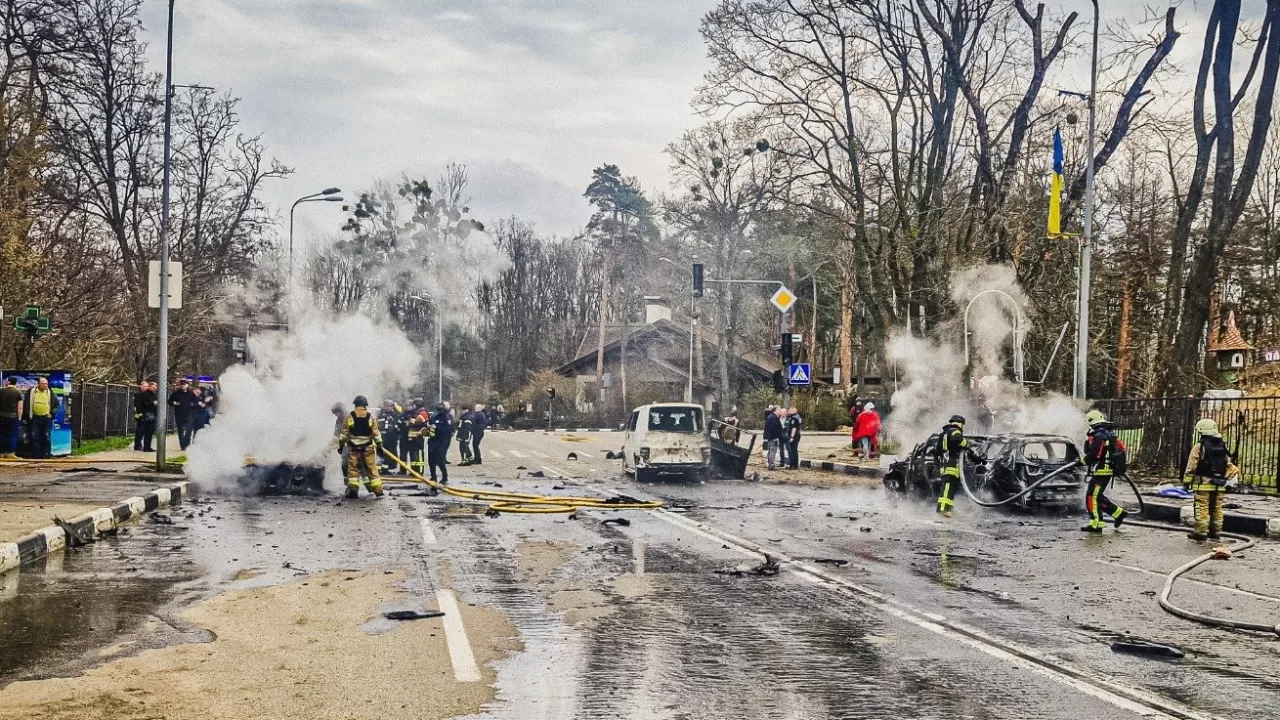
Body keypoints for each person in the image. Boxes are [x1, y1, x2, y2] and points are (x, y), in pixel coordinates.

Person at [1182, 418, 1237, 542]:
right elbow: (1228, 464)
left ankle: (1201, 533)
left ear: (1201, 431)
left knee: (1202, 508)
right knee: (1217, 508)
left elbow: (1191, 466)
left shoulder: (1199, 447)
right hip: (1219, 485)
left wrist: (1186, 481)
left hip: (1203, 484)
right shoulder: (1222, 446)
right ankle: (1215, 532)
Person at [1081, 410, 1129, 533]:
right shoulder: (1107, 434)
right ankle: (1118, 513)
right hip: (1103, 471)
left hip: (1102, 472)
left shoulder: (1099, 436)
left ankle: (1097, 524)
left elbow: (1094, 454)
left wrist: (1083, 461)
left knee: (1092, 497)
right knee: (1096, 497)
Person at [936, 414, 984, 518]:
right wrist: (966, 443)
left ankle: (947, 508)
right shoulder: (954, 430)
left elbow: (937, 451)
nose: (962, 427)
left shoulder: (943, 434)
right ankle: (943, 509)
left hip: (946, 464)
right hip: (951, 465)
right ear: (959, 423)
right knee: (948, 487)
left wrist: (978, 459)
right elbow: (956, 439)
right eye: (962, 424)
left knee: (951, 488)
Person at [338, 395, 384, 498]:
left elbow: (343, 435)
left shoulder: (350, 417)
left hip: (354, 450)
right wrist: (379, 446)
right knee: (372, 470)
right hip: (368, 449)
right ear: (365, 405)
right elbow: (376, 434)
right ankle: (378, 491)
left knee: (353, 471)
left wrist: (341, 446)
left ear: (355, 405)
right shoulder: (371, 417)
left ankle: (353, 491)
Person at [22, 377, 56, 459]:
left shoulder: (50, 392)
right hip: (34, 417)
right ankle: (36, 454)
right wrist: (25, 417)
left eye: (46, 383)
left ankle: (46, 453)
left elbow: (56, 404)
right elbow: (26, 404)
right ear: (38, 384)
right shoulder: (31, 392)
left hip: (46, 418)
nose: (45, 385)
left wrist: (52, 413)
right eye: (43, 383)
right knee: (34, 436)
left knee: (46, 436)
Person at [427, 403, 454, 484]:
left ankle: (444, 477)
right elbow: (430, 423)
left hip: (442, 441)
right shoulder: (434, 416)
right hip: (433, 440)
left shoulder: (447, 417)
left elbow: (448, 429)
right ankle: (433, 476)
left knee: (439, 459)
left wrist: (437, 428)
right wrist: (428, 425)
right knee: (431, 459)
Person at [169, 379, 197, 450]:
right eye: (181, 384)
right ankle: (182, 445)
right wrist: (174, 403)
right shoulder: (176, 393)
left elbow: (195, 402)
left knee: (189, 430)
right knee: (181, 430)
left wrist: (192, 404)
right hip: (179, 414)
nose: (183, 386)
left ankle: (187, 444)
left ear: (187, 385)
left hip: (189, 414)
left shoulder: (191, 393)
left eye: (184, 384)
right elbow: (170, 401)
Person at [403, 400, 430, 476]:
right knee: (414, 455)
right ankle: (414, 471)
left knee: (419, 455)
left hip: (419, 437)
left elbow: (418, 422)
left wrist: (411, 420)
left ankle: (420, 471)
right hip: (414, 437)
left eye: (414, 405)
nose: (413, 406)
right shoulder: (418, 412)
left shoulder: (422, 413)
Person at [0, 378, 23, 459]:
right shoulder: (18, 392)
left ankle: (2, 452)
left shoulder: (1, 391)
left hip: (2, 416)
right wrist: (19, 418)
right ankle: (10, 452)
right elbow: (19, 407)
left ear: (8, 382)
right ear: (16, 383)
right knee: (13, 435)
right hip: (13, 417)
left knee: (2, 434)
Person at [377, 400, 403, 473]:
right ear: (385, 406)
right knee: (383, 454)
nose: (390, 408)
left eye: (391, 406)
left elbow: (400, 417)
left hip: (392, 437)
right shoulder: (381, 414)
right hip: (383, 437)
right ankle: (384, 469)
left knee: (392, 452)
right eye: (388, 406)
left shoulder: (395, 414)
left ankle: (389, 467)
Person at [134, 381, 158, 452]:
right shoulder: (141, 395)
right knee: (140, 430)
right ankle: (138, 445)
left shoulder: (152, 395)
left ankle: (141, 445)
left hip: (149, 415)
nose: (146, 387)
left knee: (145, 431)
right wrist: (140, 416)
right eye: (145, 386)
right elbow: (138, 406)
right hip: (144, 415)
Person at [763, 406, 783, 471]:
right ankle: (772, 465)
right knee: (773, 451)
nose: (780, 411)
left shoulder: (771, 417)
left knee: (771, 451)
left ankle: (771, 464)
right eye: (779, 409)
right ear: (776, 410)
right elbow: (773, 429)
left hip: (771, 437)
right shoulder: (773, 417)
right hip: (773, 437)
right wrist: (776, 437)